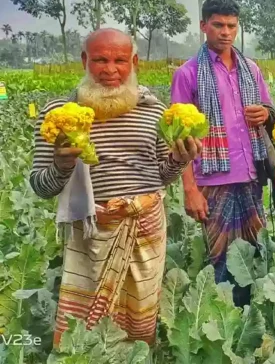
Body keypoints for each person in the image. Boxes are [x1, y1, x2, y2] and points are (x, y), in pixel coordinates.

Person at [30, 28, 199, 346]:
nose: (110, 69)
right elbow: (41, 186)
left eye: (120, 60)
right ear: (84, 60)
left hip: (145, 228)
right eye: (100, 60)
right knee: (84, 328)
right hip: (90, 232)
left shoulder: (153, 110)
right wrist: (62, 165)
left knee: (140, 318)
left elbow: (160, 176)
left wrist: (179, 160)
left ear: (134, 61)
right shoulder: (59, 113)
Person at [170, 0, 275, 306]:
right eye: (218, 25)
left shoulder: (251, 70)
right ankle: (225, 321)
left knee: (256, 251)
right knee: (221, 257)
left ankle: (257, 317)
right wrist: (190, 190)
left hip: (251, 176)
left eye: (231, 25)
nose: (225, 32)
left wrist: (265, 114)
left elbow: (270, 114)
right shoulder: (188, 74)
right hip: (213, 181)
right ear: (204, 26)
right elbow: (179, 139)